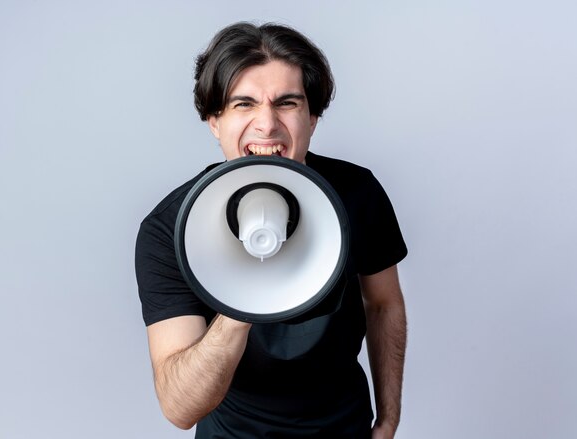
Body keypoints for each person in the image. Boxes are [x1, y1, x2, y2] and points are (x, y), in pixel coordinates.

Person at [135, 21, 408, 438]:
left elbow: (384, 304)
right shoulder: (168, 230)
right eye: (243, 104)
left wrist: (388, 420)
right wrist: (240, 294)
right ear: (214, 119)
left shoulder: (358, 194)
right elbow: (179, 408)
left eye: (287, 103)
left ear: (312, 118)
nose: (266, 125)